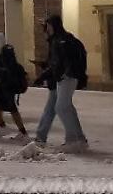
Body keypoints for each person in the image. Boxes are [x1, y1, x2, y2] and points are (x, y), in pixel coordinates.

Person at [31, 14, 88, 151]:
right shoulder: (60, 39)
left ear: (52, 25)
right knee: (65, 107)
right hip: (64, 77)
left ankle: (73, 140)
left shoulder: (60, 41)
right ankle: (78, 138)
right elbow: (56, 62)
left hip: (66, 78)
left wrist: (46, 75)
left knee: (61, 107)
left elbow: (59, 62)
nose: (46, 28)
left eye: (47, 25)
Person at [0, 31, 29, 139]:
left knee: (9, 110)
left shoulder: (1, 60)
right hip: (9, 89)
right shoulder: (13, 62)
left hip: (3, 89)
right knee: (2, 109)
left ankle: (22, 132)